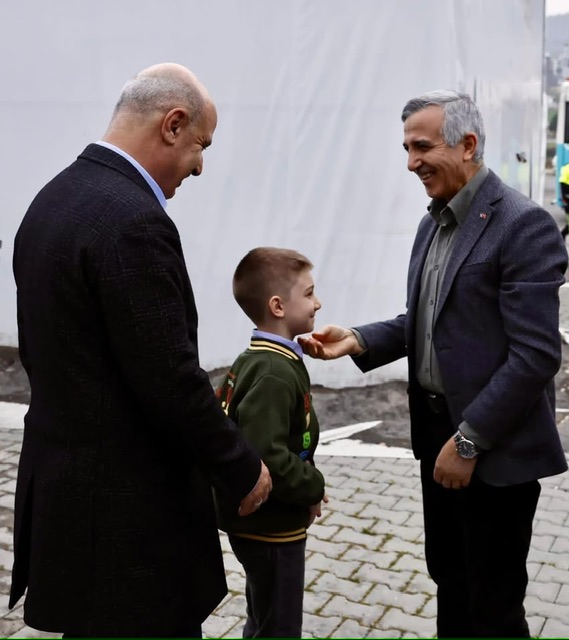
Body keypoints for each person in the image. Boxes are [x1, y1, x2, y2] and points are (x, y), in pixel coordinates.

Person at [9, 63, 272, 638]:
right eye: (202, 145)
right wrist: (241, 467)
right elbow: (168, 379)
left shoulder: (53, 198)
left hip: (71, 505)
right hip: (129, 529)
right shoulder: (134, 222)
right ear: (172, 125)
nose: (200, 166)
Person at [299, 90, 568, 638]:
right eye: (406, 148)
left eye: (422, 147)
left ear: (467, 145)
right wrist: (357, 339)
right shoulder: (433, 223)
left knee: (493, 608)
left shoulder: (525, 225)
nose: (410, 162)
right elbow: (429, 320)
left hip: (490, 450)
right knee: (450, 582)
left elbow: (536, 355)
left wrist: (468, 441)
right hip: (436, 440)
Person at [214, 247, 327, 638]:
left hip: (265, 525)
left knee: (264, 617)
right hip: (271, 527)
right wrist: (313, 486)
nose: (317, 302)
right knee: (279, 626)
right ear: (278, 306)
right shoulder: (274, 372)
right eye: (309, 293)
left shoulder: (258, 359)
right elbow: (268, 456)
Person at [559, 160, 569, 240]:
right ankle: (562, 235)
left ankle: (562, 235)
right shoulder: (567, 168)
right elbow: (563, 183)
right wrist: (565, 198)